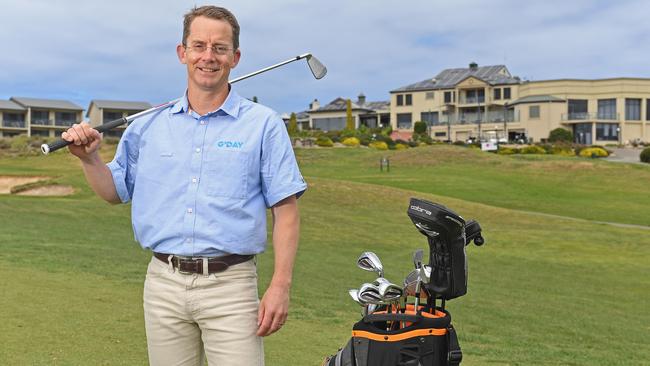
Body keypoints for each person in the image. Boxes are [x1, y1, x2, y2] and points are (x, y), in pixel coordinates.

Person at [62, 6, 306, 366]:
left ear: (235, 58)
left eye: (220, 48)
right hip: (162, 283)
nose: (209, 56)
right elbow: (114, 192)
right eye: (199, 45)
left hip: (232, 287)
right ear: (183, 53)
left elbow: (286, 212)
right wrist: (90, 160)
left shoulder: (263, 125)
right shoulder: (147, 126)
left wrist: (280, 286)